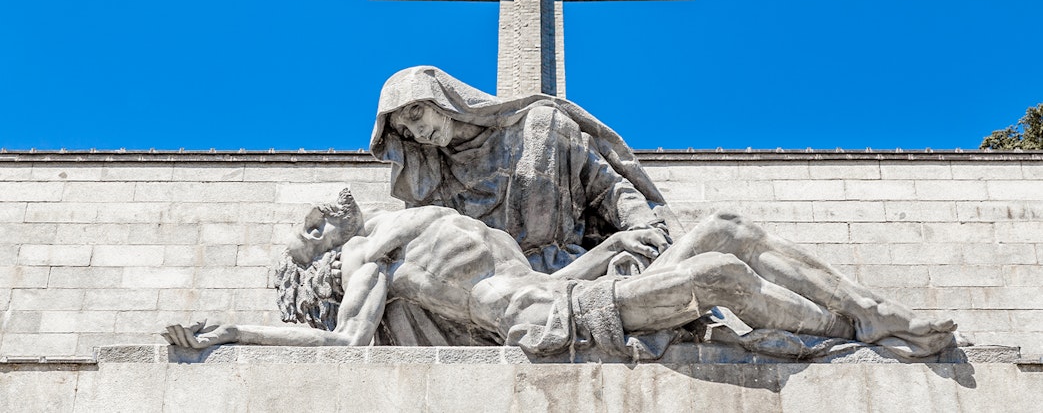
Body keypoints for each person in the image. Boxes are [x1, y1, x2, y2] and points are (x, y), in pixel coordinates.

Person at [164, 190, 958, 359]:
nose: (322, 208)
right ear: (322, 259)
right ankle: (849, 332)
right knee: (715, 269)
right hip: (557, 327)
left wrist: (599, 256)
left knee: (724, 227)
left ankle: (870, 311)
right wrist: (234, 331)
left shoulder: (411, 219)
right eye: (309, 229)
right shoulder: (372, 256)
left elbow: (535, 276)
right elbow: (344, 344)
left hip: (570, 293)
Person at [370, 66, 671, 275]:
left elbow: (607, 188)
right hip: (491, 288)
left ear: (442, 97)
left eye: (416, 113)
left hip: (567, 268)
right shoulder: (432, 180)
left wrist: (644, 226)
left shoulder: (541, 126)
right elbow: (415, 244)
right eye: (406, 132)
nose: (418, 132)